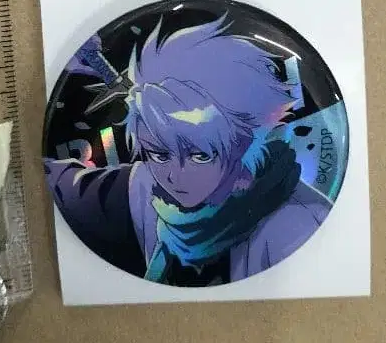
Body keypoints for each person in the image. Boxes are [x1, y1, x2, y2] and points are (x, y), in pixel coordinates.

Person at [45, 17, 332, 286]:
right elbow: (55, 181)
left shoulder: (297, 221)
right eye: (159, 154)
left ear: (243, 144)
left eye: (200, 156)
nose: (174, 177)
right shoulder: (145, 187)